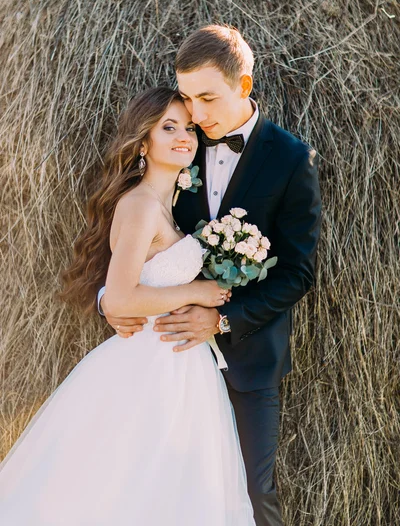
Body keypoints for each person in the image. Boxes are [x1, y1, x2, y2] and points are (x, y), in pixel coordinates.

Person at [0, 87, 256, 526]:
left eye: (189, 128)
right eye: (169, 127)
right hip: (150, 369)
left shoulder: (166, 208)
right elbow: (119, 298)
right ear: (143, 143)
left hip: (180, 368)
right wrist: (196, 292)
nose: (185, 137)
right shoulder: (139, 206)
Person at [99, 26, 322, 526]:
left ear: (244, 86)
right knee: (161, 492)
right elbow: (135, 241)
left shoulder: (291, 160)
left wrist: (220, 319)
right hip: (166, 361)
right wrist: (110, 302)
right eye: (186, 100)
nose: (195, 117)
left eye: (206, 98)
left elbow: (296, 272)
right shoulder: (179, 144)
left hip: (249, 360)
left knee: (250, 494)